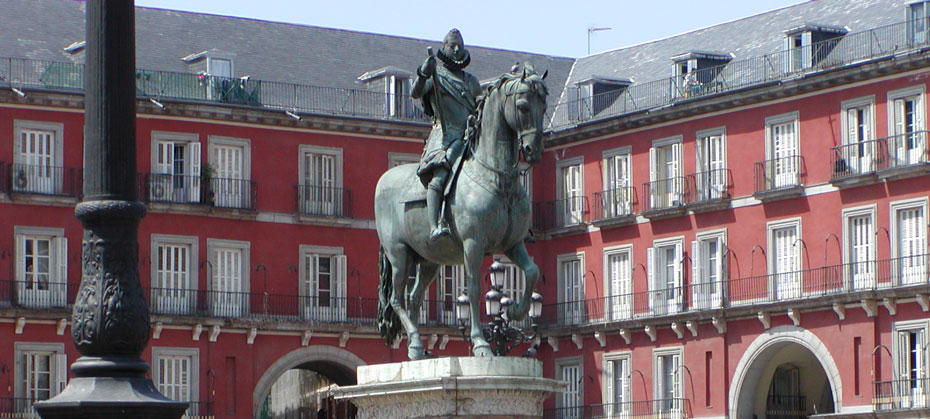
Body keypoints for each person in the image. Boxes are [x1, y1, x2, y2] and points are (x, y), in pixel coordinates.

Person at [412, 28, 482, 240]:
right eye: (452, 45)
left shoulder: (471, 81)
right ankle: (434, 225)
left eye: (460, 45)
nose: (457, 48)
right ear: (444, 48)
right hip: (445, 136)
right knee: (440, 175)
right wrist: (424, 73)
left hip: (470, 136)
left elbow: (481, 107)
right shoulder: (437, 76)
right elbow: (415, 92)